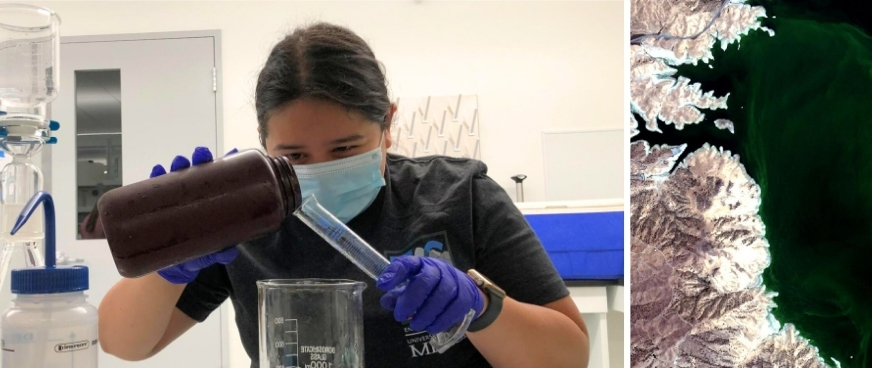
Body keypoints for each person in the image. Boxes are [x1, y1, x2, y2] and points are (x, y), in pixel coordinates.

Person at [92, 23, 589, 368]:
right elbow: (123, 344)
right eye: (295, 156)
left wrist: (481, 310)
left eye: (346, 147)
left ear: (388, 125)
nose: (321, 169)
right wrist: (170, 261)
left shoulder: (460, 194)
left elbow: (568, 356)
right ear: (263, 143)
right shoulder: (242, 216)